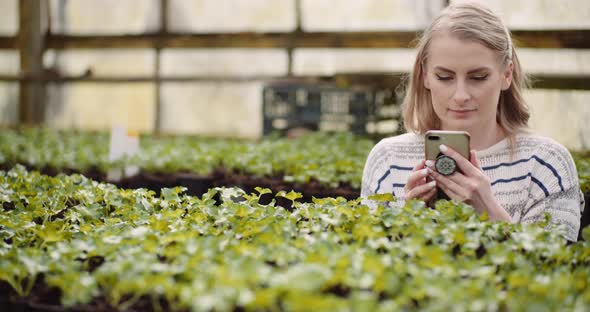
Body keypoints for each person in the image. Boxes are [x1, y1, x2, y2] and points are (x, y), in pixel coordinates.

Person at [360, 2, 583, 242]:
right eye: (444, 77)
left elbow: (556, 268)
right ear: (425, 76)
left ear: (506, 75)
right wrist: (408, 225)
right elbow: (368, 269)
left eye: (478, 77)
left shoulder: (546, 164)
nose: (461, 95)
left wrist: (488, 210)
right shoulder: (388, 161)